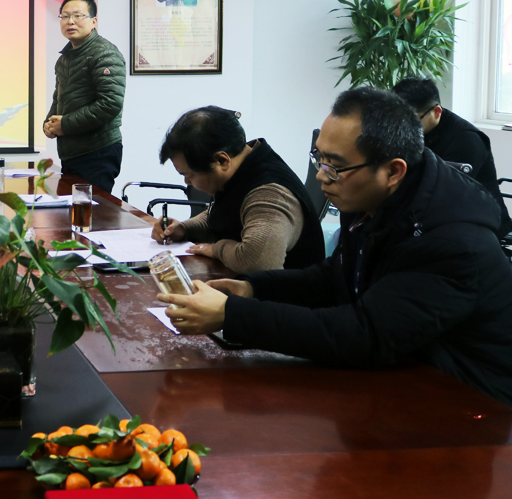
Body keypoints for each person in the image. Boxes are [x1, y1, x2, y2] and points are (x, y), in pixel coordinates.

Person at [160, 87, 512, 407]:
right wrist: (253, 288)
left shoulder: (451, 241)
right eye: (320, 158)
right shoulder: (370, 198)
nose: (321, 176)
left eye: (336, 166)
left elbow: (365, 334)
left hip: (471, 402)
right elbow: (337, 276)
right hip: (405, 374)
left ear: (393, 171)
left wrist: (233, 315)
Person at [153, 107, 324, 272]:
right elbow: (224, 215)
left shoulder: (270, 194)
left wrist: (215, 249)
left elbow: (257, 262)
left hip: (286, 292)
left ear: (222, 160)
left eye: (188, 175)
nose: (187, 182)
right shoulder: (243, 167)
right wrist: (184, 229)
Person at [392, 76, 512, 237]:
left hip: (479, 221)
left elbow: (446, 194)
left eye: (413, 120)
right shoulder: (414, 130)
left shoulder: (466, 139)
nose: (405, 126)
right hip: (435, 214)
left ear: (437, 112)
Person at [43, 0, 126, 194]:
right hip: (72, 152)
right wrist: (49, 123)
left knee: (92, 210)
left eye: (78, 15)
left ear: (93, 21)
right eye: (65, 16)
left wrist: (65, 124)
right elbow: (59, 98)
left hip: (97, 152)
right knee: (72, 209)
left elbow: (110, 104)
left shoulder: (105, 53)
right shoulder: (65, 58)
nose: (70, 21)